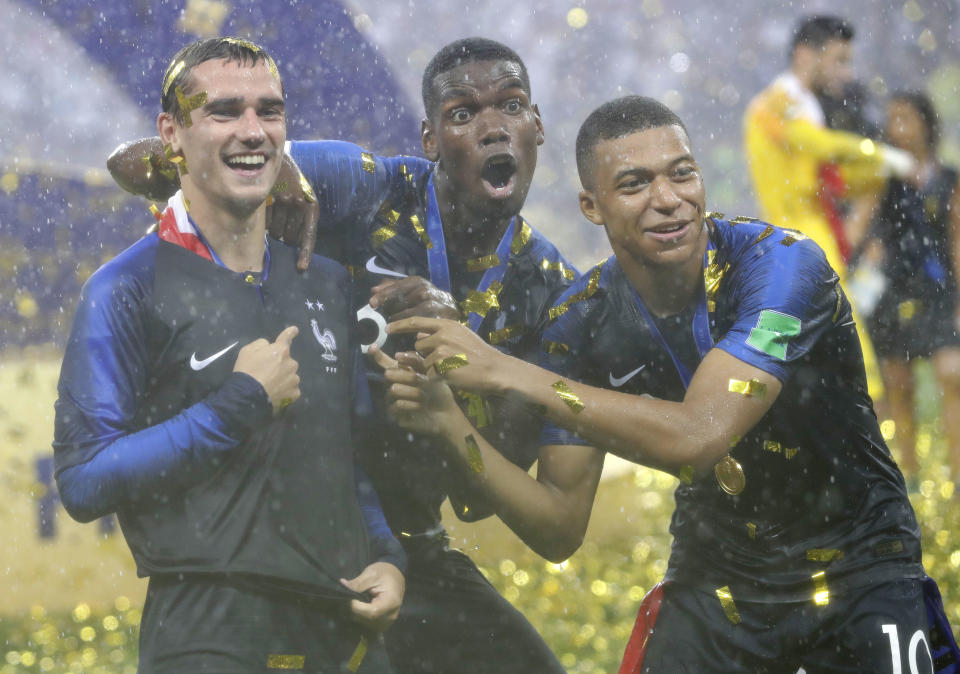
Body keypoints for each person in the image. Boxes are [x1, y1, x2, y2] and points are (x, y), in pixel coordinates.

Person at [382, 96, 958, 672]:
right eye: (633, 184)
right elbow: (556, 528)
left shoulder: (783, 267)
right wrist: (449, 422)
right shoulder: (580, 322)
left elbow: (700, 437)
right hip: (715, 585)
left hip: (859, 571)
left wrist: (509, 371)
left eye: (682, 173)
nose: (668, 200)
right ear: (592, 205)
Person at [106, 37, 571, 674]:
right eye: (463, 114)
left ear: (538, 127)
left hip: (408, 549)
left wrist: (466, 372)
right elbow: (128, 165)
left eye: (511, 106)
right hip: (277, 535)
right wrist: (278, 168)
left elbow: (483, 503)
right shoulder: (370, 183)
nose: (493, 128)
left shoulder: (551, 290)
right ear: (430, 140)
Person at [55, 38, 404, 673]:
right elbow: (83, 480)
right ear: (172, 134)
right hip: (209, 634)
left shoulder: (325, 280)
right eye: (224, 111)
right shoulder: (124, 288)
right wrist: (238, 406)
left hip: (344, 628)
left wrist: (386, 555)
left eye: (269, 111)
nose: (254, 132)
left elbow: (347, 463)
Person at [744, 14, 917, 400]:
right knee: (831, 336)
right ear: (806, 56)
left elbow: (828, 175)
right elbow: (815, 146)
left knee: (798, 339)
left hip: (808, 234)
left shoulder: (802, 103)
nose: (845, 71)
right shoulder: (779, 102)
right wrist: (878, 155)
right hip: (798, 236)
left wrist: (878, 168)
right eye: (839, 60)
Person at [866, 91, 960, 490]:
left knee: (952, 376)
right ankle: (908, 479)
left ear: (925, 123)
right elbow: (866, 233)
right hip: (891, 292)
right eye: (892, 120)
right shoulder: (881, 179)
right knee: (898, 387)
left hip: (938, 291)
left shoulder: (949, 179)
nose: (897, 129)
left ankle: (957, 479)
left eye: (905, 118)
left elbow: (957, 241)